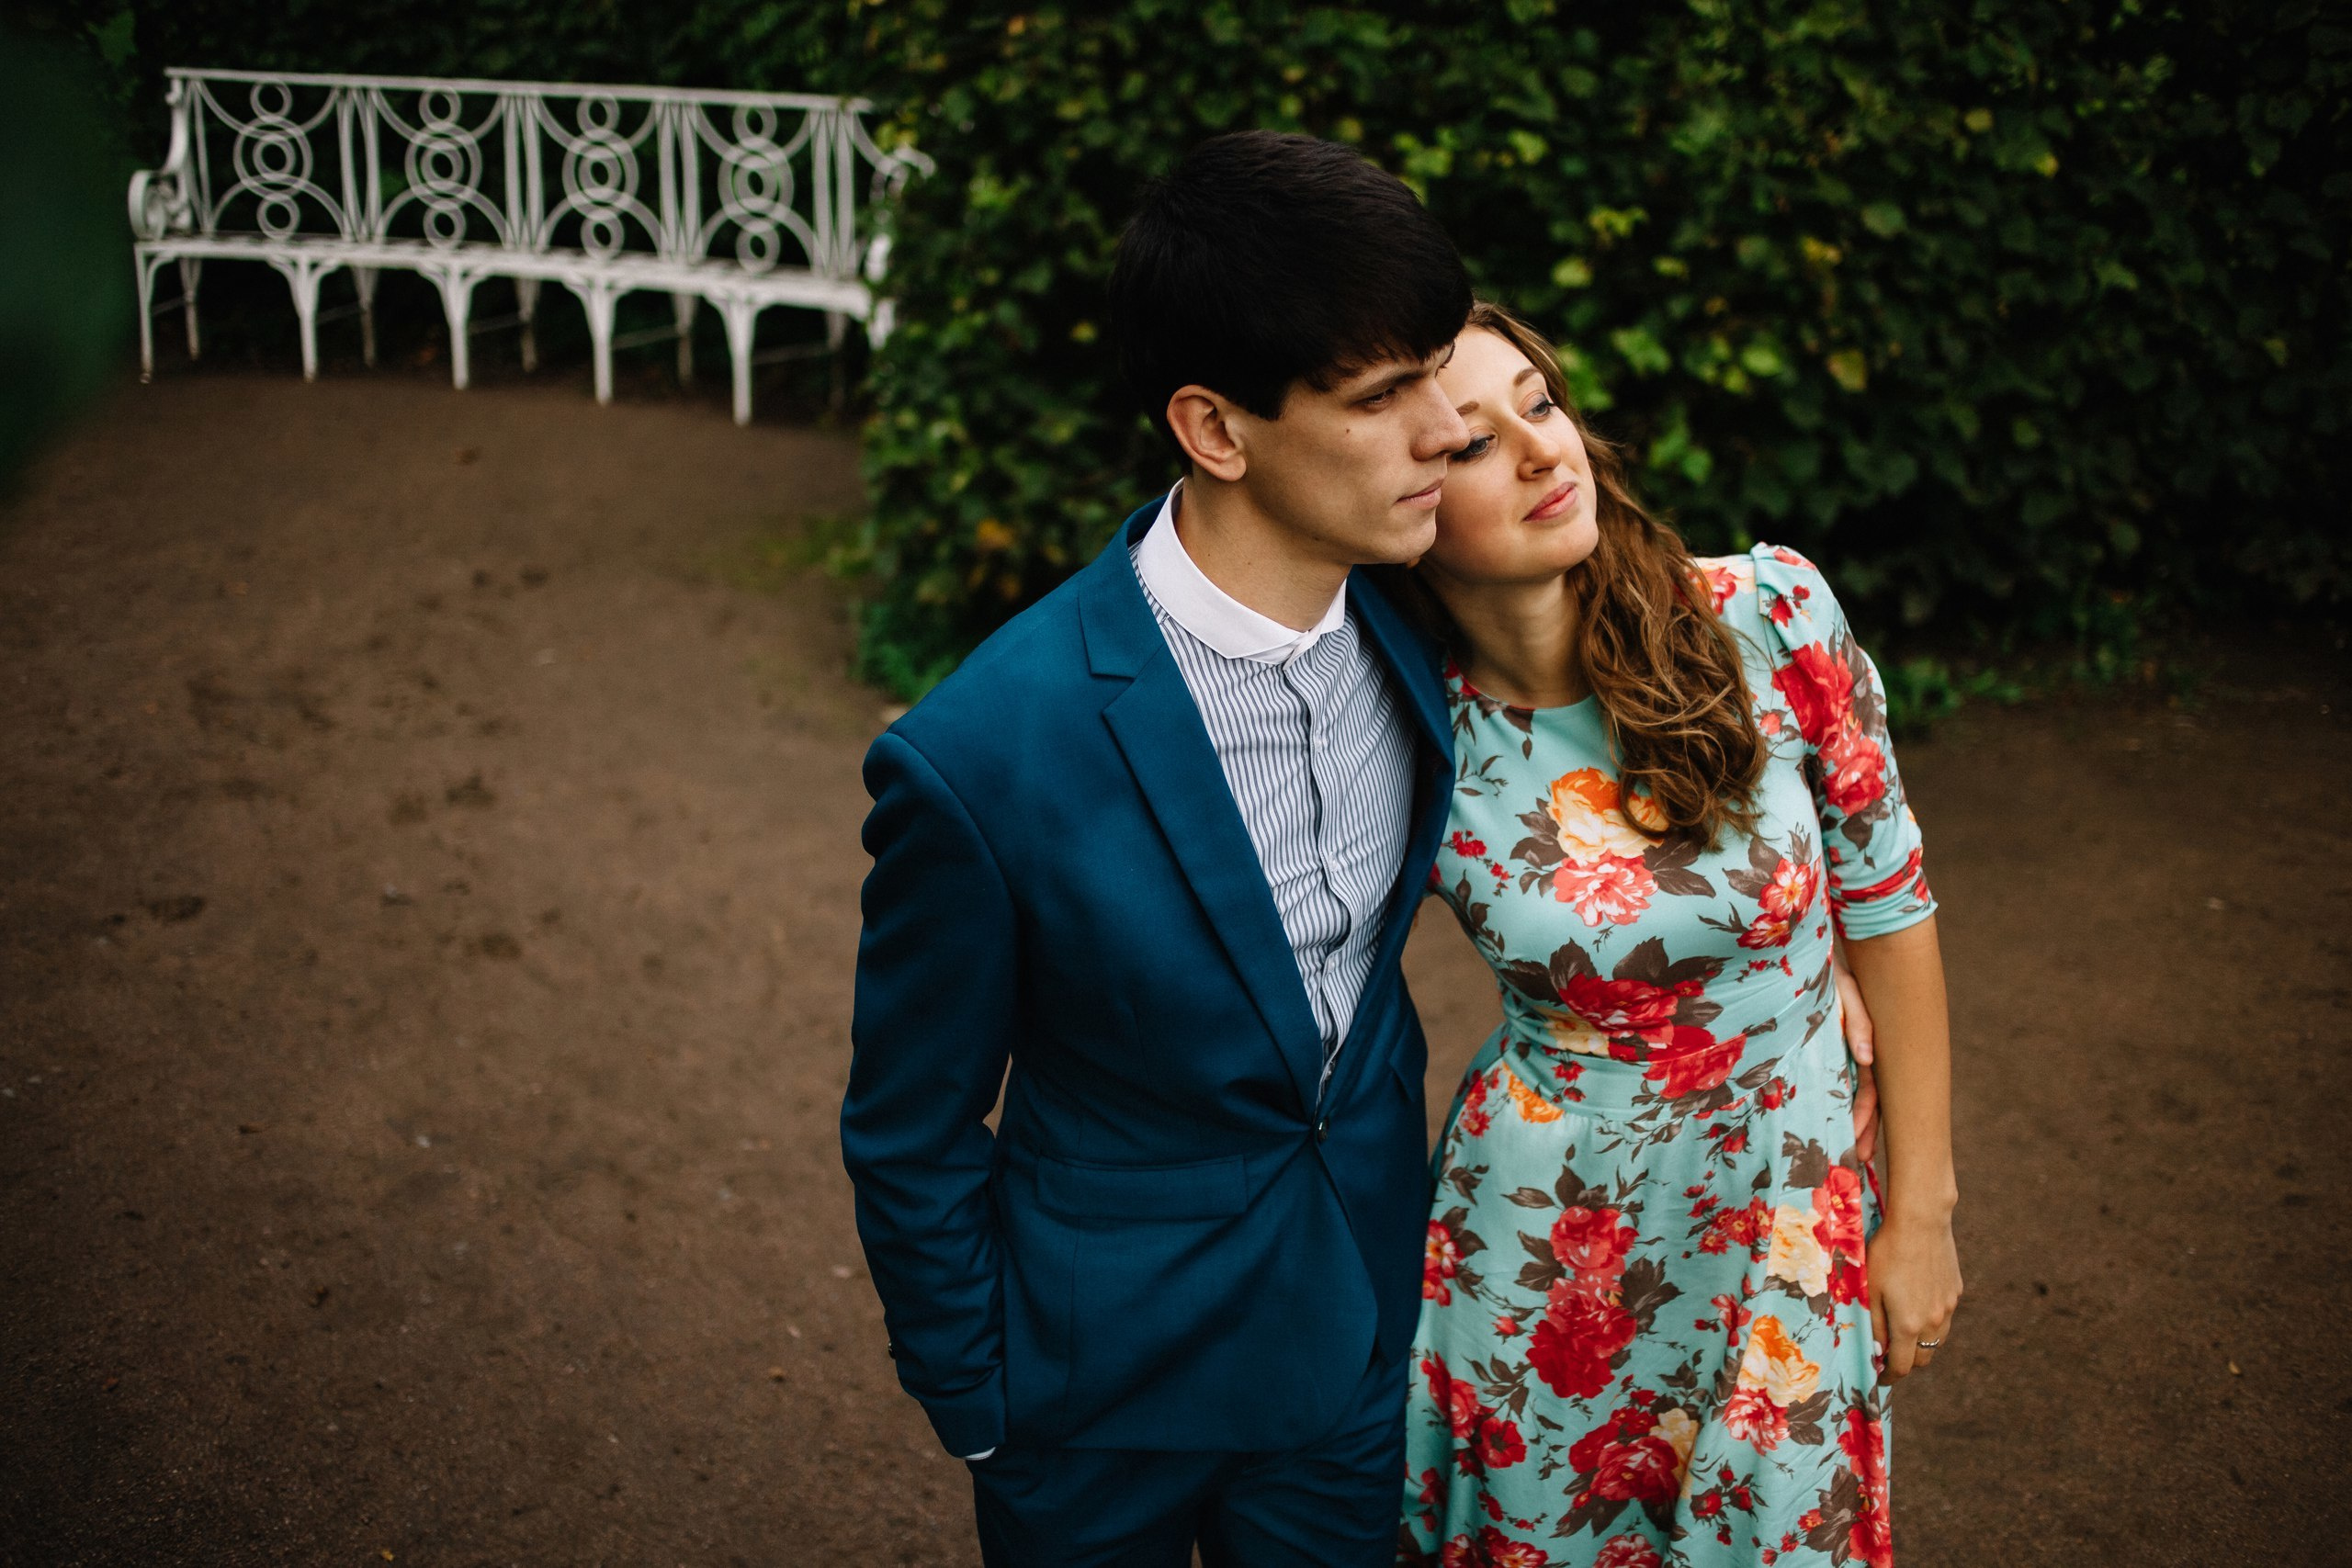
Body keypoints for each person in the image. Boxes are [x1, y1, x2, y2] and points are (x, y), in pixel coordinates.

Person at [842, 130, 1475, 1566]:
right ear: (1215, 430)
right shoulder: (983, 754)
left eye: (1436, 373)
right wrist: (980, 1401)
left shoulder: (1426, 618)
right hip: (1093, 1395)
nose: (1444, 430)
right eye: (1382, 399)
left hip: (1351, 1344)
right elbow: (910, 1123)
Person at [1393, 304, 1961, 1568]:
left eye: (1539, 405)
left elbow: (1892, 903)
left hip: (1786, 1201)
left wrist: (1921, 1209)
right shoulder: (1409, 731)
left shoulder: (1769, 614)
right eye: (1475, 445)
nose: (1546, 453)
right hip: (1539, 1243)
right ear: (1406, 505)